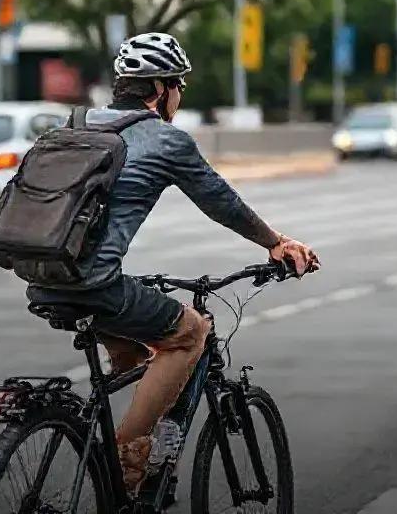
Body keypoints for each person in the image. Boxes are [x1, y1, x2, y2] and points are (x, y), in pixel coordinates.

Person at [26, 32, 319, 492]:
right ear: (162, 88)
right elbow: (222, 202)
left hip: (43, 279)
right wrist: (274, 242)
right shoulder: (166, 140)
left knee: (140, 351)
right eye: (179, 86)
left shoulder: (76, 125)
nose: (179, 97)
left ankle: (118, 446)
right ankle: (126, 455)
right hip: (96, 284)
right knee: (190, 334)